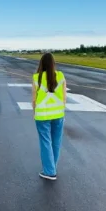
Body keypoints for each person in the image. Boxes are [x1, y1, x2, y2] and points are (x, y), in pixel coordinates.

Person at [32, 52, 67, 181]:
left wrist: (34, 112)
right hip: (58, 114)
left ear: (41, 63)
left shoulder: (37, 77)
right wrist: (62, 111)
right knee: (56, 141)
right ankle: (52, 167)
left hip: (42, 115)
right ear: (53, 64)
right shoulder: (61, 76)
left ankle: (49, 171)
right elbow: (64, 97)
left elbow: (34, 100)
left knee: (45, 142)